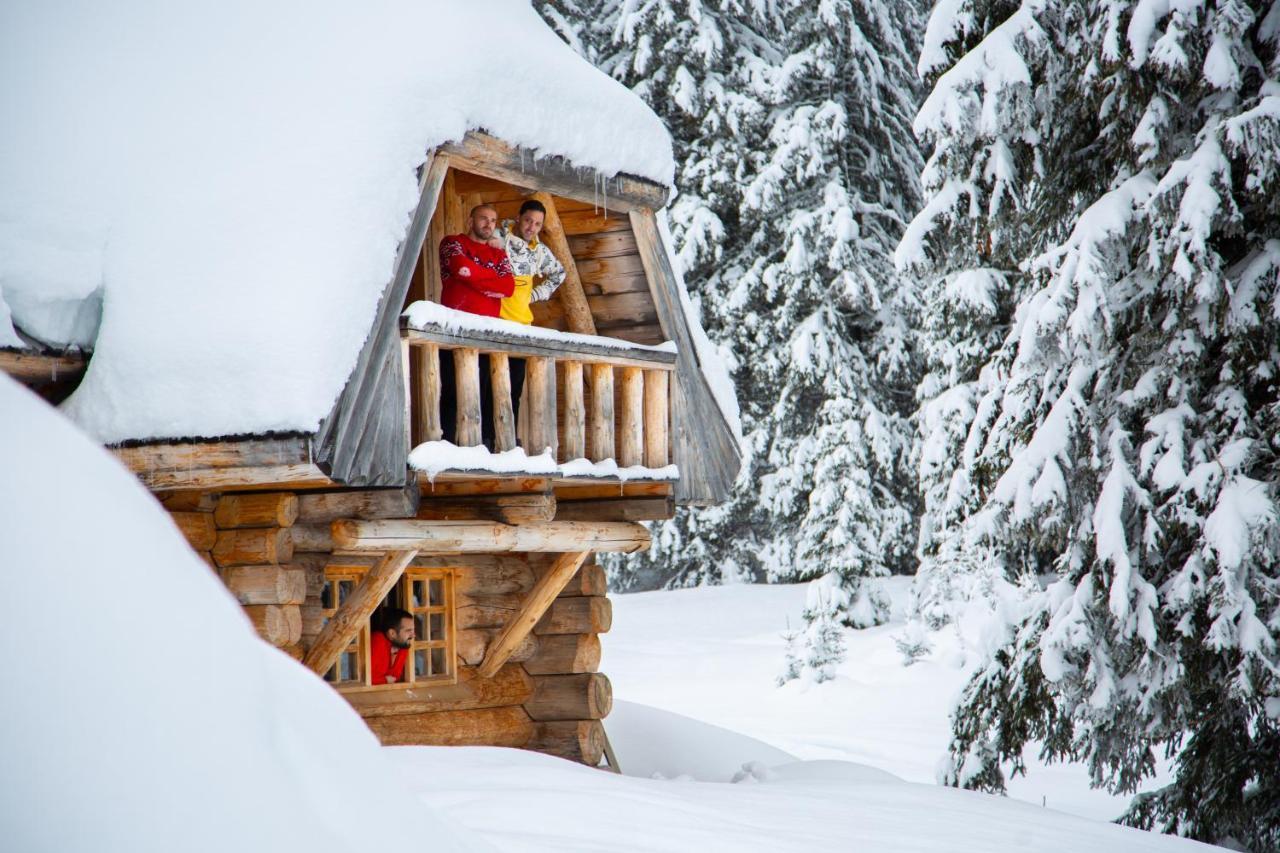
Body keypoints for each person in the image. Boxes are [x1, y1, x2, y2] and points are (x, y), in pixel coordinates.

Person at [438, 205, 516, 447]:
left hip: (486, 333)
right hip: (455, 329)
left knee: (484, 393)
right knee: (452, 391)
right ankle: (449, 443)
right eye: (483, 218)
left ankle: (481, 445)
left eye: (493, 220)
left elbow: (508, 287)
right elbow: (460, 268)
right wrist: (488, 282)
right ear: (470, 220)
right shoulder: (452, 243)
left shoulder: (499, 255)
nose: (489, 224)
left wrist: (473, 277)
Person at [496, 200, 566, 326]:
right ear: (518, 217)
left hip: (523, 323)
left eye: (538, 224)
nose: (531, 228)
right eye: (528, 220)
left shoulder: (540, 251)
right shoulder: (496, 238)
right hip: (493, 319)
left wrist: (534, 295)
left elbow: (559, 273)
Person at [369, 608, 414, 685]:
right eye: (408, 631)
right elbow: (367, 679)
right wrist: (385, 680)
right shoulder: (378, 640)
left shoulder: (402, 644)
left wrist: (384, 679)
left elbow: (395, 677)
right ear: (392, 633)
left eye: (413, 630)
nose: (413, 635)